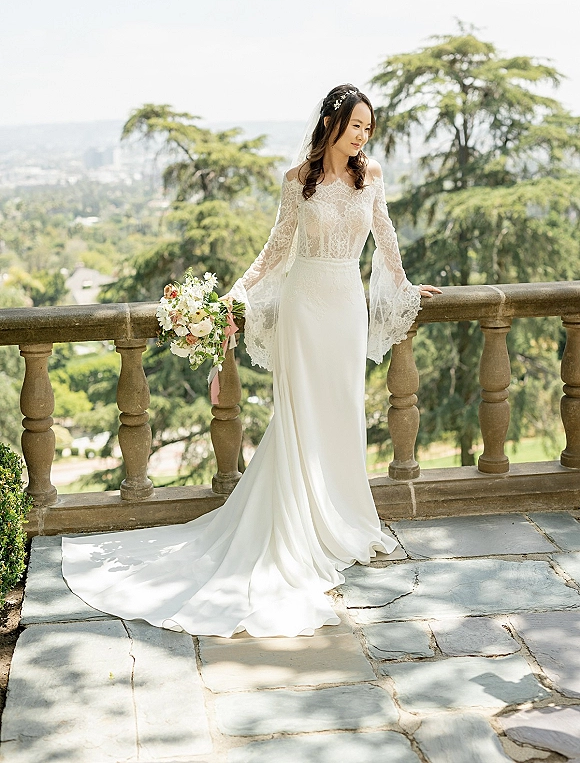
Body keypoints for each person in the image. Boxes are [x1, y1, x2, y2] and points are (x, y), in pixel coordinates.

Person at [62, 84, 442, 638]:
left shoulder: (372, 176)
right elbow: (277, 247)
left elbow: (385, 241)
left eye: (368, 128)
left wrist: (406, 288)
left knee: (341, 411)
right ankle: (299, 525)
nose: (362, 136)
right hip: (304, 307)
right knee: (299, 415)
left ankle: (342, 516)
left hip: (346, 307)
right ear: (332, 124)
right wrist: (232, 296)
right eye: (356, 125)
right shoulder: (297, 182)